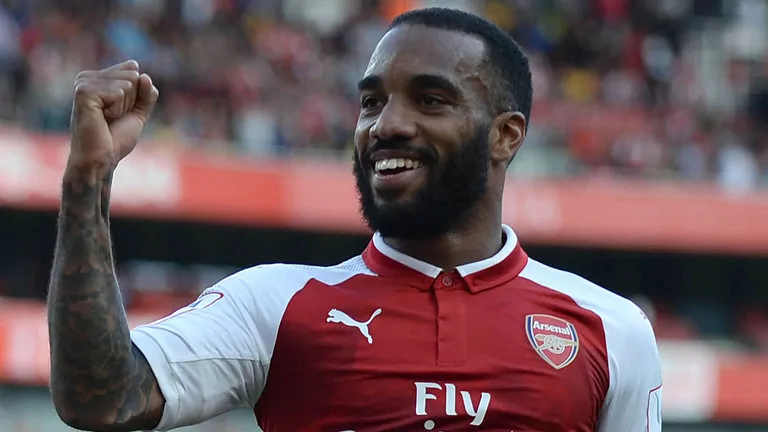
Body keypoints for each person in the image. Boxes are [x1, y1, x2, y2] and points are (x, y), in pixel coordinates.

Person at [48, 8, 663, 432]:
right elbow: (100, 398)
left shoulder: (611, 332)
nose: (386, 124)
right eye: (372, 101)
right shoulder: (275, 306)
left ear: (505, 135)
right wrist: (87, 181)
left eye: (430, 100)